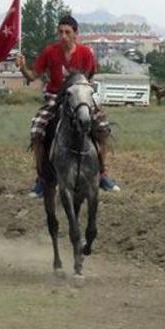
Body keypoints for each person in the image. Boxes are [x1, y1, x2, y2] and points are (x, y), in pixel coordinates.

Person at [15, 15, 120, 198]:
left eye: (67, 32)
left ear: (75, 34)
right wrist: (23, 67)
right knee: (37, 131)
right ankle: (42, 179)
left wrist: (82, 94)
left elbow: (89, 77)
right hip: (55, 97)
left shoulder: (86, 53)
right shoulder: (49, 52)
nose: (63, 36)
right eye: (60, 32)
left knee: (103, 128)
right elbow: (32, 76)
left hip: (79, 97)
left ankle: (101, 173)